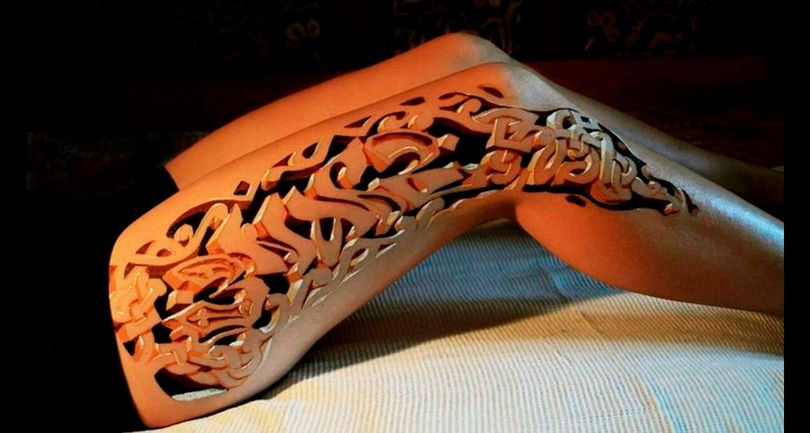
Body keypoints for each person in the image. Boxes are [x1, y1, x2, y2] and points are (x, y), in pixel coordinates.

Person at [25, 33, 783, 430]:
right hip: (105, 320)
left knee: (462, 57)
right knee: (506, 125)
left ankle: (755, 186)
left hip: (88, 217)